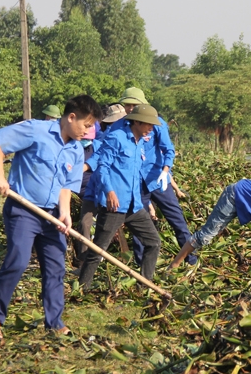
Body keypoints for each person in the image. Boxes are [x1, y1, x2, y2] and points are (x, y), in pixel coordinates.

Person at [0, 95, 103, 341]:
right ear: (71, 117)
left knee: (56, 268)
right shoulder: (36, 130)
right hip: (23, 209)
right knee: (18, 260)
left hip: (52, 216)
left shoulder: (76, 151)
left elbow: (66, 187)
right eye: (86, 124)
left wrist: (65, 214)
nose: (88, 130)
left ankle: (55, 323)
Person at [76, 104, 163, 289]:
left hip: (134, 205)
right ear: (137, 122)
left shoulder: (141, 143)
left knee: (154, 243)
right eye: (148, 124)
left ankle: (144, 286)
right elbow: (102, 167)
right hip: (114, 205)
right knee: (99, 249)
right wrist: (109, 191)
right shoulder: (117, 138)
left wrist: (148, 204)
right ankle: (83, 287)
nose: (151, 128)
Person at [114, 87, 198, 266]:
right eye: (127, 105)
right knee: (139, 226)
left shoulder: (156, 123)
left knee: (177, 220)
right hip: (136, 183)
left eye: (133, 105)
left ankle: (191, 261)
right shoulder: (120, 125)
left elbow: (169, 149)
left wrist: (165, 171)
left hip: (159, 180)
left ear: (141, 104)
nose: (129, 108)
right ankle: (142, 267)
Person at [72, 104, 125, 271]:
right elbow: (100, 158)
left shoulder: (126, 138)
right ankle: (84, 261)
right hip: (93, 189)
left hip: (112, 191)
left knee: (110, 226)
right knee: (85, 223)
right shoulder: (105, 138)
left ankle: (116, 258)